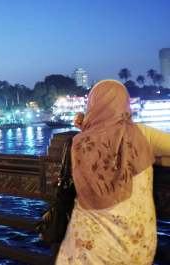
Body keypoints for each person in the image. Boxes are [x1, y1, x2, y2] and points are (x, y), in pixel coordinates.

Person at [56, 80, 170, 264]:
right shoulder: (142, 135)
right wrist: (152, 157)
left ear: (92, 104)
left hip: (88, 245)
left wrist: (85, 125)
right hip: (134, 243)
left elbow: (101, 139)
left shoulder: (79, 142)